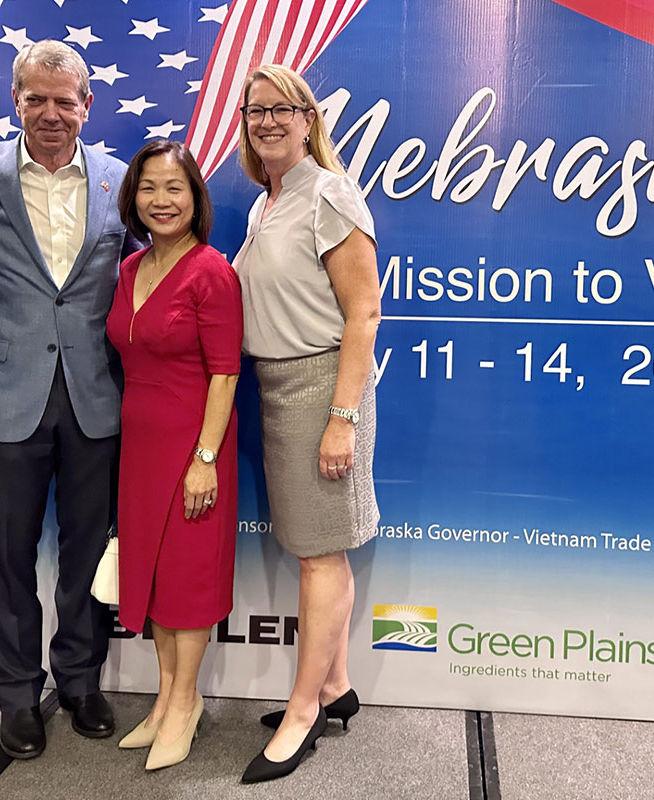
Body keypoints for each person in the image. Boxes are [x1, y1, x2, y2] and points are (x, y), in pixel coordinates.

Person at [0, 40, 136, 759]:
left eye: (64, 100)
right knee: (7, 556)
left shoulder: (123, 182)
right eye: (35, 98)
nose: (50, 113)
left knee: (87, 551)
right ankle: (15, 695)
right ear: (15, 100)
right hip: (5, 395)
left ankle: (79, 680)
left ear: (86, 105)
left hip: (96, 395)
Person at [231, 64, 382, 784]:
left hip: (324, 388)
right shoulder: (269, 202)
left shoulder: (329, 192)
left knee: (320, 554)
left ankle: (301, 712)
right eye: (256, 110)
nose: (267, 121)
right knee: (319, 549)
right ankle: (335, 686)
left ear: (308, 117)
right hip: (277, 388)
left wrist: (342, 419)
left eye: (281, 109)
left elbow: (364, 315)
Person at [105, 140, 242, 771]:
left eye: (175, 189)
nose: (161, 201)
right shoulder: (130, 269)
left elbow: (224, 373)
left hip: (194, 444)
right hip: (140, 447)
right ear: (133, 197)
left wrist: (205, 457)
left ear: (195, 198)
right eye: (149, 188)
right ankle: (164, 701)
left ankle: (186, 704)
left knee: (186, 582)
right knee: (155, 579)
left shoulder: (212, 271)